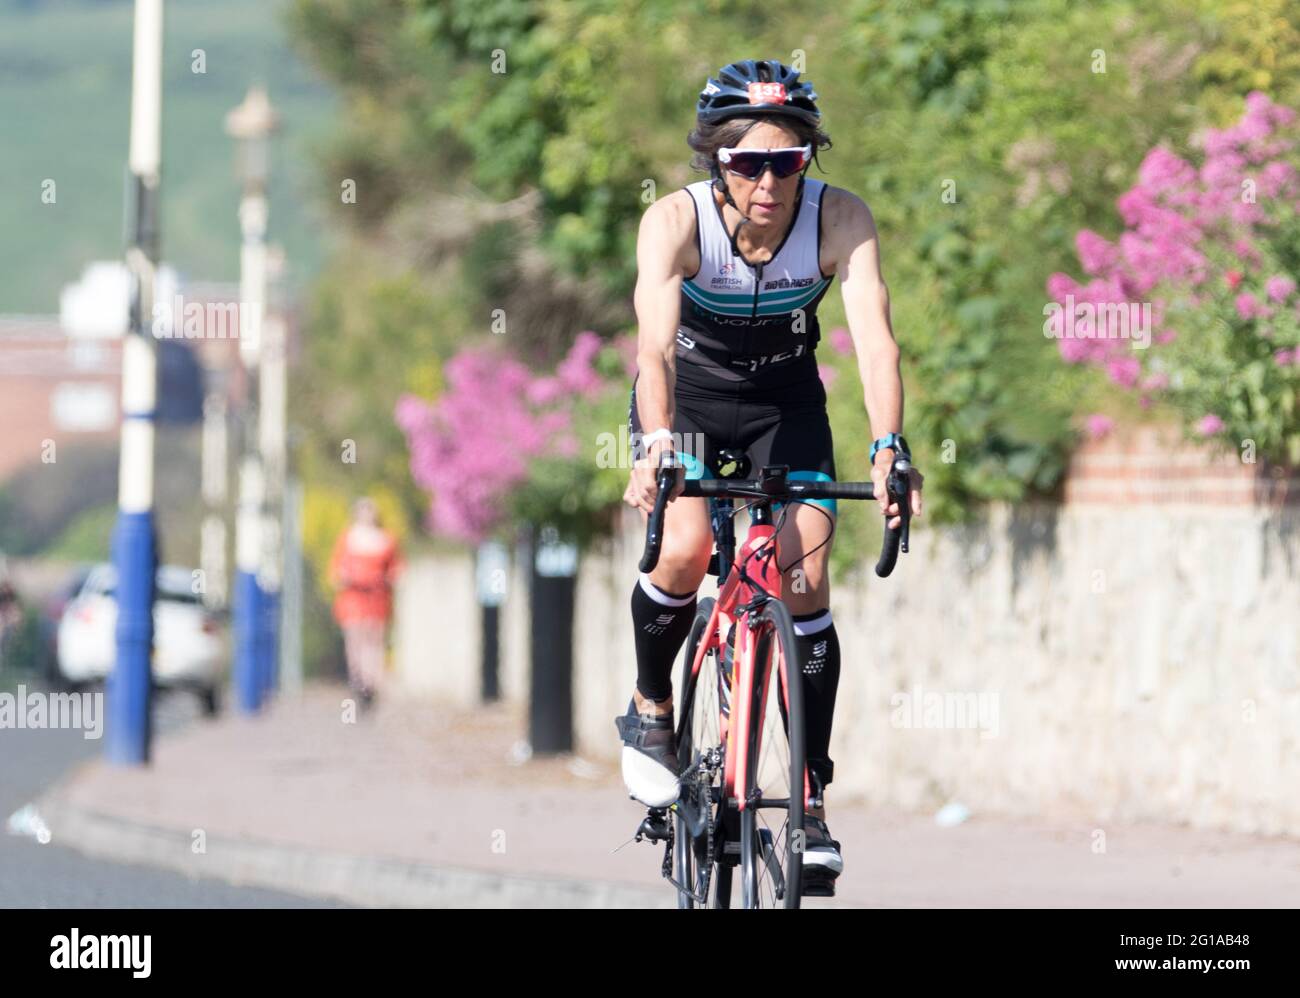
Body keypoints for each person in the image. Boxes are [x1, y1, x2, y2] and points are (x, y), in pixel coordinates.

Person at [616, 58, 924, 896]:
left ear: (807, 160)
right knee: (681, 547)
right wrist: (653, 445)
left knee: (806, 576)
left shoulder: (840, 220)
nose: (765, 181)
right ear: (715, 160)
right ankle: (651, 709)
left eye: (785, 162)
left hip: (787, 404)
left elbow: (877, 342)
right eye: (745, 162)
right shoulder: (674, 222)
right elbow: (650, 348)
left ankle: (812, 801)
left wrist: (889, 446)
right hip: (690, 399)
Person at [328, 497, 403, 708]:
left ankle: (372, 682)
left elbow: (397, 569)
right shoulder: (348, 539)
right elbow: (336, 569)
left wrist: (387, 579)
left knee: (374, 638)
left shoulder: (387, 539)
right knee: (356, 639)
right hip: (354, 597)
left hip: (377, 597)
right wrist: (344, 577)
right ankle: (358, 679)